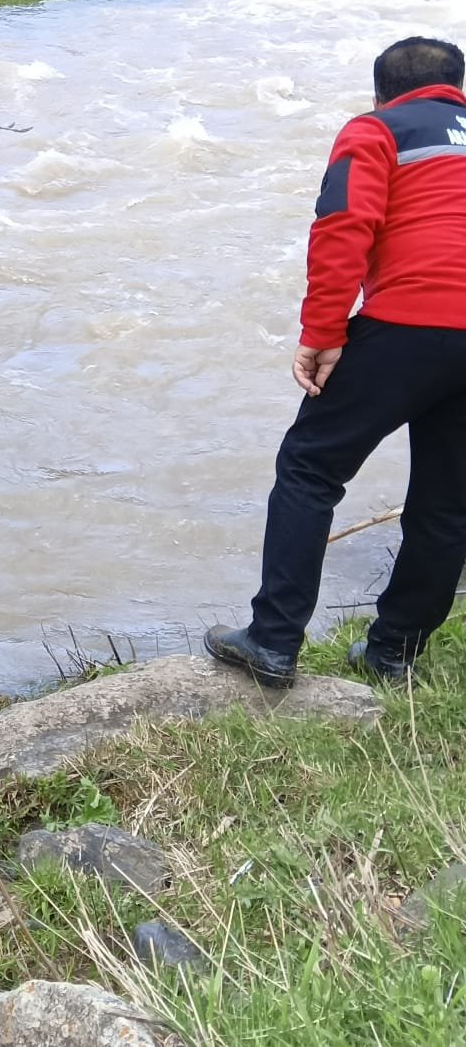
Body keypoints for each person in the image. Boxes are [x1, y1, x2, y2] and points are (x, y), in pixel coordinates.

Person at [208, 37, 466, 688]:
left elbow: (344, 224)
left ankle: (272, 641)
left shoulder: (377, 129)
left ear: (381, 92)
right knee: (447, 504)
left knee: (310, 467)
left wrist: (322, 332)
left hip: (407, 323)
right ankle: (392, 653)